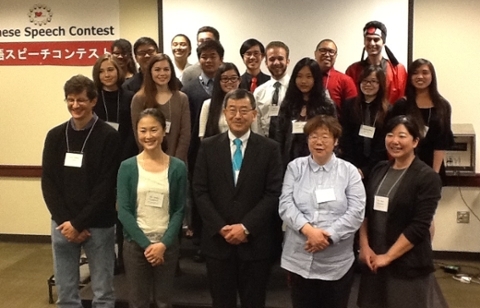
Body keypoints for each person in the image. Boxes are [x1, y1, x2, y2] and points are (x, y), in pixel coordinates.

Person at [193, 89, 283, 308]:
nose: (238, 116)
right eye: (232, 110)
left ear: (254, 114)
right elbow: (199, 191)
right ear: (224, 113)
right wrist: (221, 227)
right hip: (218, 243)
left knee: (254, 302)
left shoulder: (270, 149)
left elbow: (273, 193)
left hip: (256, 243)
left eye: (244, 110)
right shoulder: (208, 147)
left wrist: (246, 227)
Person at [41, 75, 119, 308]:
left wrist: (79, 223)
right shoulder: (55, 136)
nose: (75, 106)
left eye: (81, 100)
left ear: (93, 101)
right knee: (66, 295)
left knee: (103, 293)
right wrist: (68, 222)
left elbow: (106, 186)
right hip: (62, 226)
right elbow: (49, 182)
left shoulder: (108, 136)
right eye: (70, 100)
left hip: (99, 225)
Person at [357, 115, 447, 308]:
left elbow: (419, 226)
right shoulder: (380, 169)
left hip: (406, 265)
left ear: (415, 141)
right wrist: (364, 247)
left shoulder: (427, 177)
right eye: (390, 135)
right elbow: (365, 213)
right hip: (374, 260)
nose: (394, 141)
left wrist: (388, 257)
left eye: (402, 136)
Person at [280, 115, 365, 308]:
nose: (319, 142)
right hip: (299, 258)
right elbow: (285, 204)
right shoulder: (295, 167)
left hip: (336, 262)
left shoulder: (349, 172)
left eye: (325, 137)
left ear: (335, 141)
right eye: (313, 136)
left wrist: (327, 237)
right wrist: (309, 231)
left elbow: (356, 212)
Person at [117, 108, 187, 308]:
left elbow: (179, 210)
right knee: (138, 302)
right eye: (143, 130)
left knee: (164, 302)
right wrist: (147, 246)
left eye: (154, 130)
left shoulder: (178, 167)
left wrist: (162, 245)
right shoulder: (127, 167)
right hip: (136, 246)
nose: (148, 136)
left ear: (164, 131)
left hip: (167, 245)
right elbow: (124, 211)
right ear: (137, 133)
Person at [387, 58, 454, 184]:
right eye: (415, 73)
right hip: (404, 167)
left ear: (432, 76)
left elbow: (442, 143)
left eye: (425, 72)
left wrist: (434, 175)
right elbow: (393, 139)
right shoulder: (402, 105)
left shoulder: (443, 106)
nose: (420, 76)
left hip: (432, 166)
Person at [274, 57, 336, 168]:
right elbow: (279, 135)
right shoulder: (288, 104)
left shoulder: (326, 106)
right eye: (299, 76)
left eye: (308, 77)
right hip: (289, 160)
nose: (303, 81)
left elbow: (333, 135)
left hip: (318, 160)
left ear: (315, 79)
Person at [131, 53, 191, 163]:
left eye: (166, 69)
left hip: (177, 162)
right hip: (149, 161)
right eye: (157, 70)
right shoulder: (139, 99)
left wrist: (175, 163)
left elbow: (185, 135)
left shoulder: (182, 98)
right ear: (150, 72)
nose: (162, 73)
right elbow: (138, 134)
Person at [339, 65, 389, 181]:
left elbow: (383, 143)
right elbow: (345, 136)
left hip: (377, 165)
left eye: (373, 81)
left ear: (380, 84)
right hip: (351, 164)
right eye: (364, 81)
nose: (368, 84)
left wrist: (366, 170)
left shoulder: (387, 110)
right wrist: (353, 167)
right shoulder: (349, 105)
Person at [346, 21, 407, 105]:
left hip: (391, 116)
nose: (372, 43)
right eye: (368, 39)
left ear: (383, 42)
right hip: (361, 115)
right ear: (364, 42)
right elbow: (351, 100)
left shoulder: (398, 70)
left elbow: (402, 100)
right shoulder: (353, 70)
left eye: (376, 39)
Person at [92, 53, 137, 160]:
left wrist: (124, 154)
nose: (106, 75)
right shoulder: (93, 98)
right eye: (101, 71)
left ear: (118, 70)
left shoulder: (130, 97)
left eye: (110, 69)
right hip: (99, 153)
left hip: (126, 154)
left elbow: (133, 130)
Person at [254, 40, 291, 138]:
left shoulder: (295, 88)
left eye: (280, 58)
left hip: (291, 144)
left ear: (287, 61)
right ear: (266, 62)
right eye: (272, 59)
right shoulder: (259, 92)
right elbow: (256, 123)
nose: (276, 62)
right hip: (265, 143)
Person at [314, 39, 357, 116]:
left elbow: (353, 112)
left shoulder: (345, 80)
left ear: (336, 56)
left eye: (331, 52)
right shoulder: (307, 78)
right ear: (315, 53)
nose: (327, 54)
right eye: (323, 50)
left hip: (335, 126)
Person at [199, 62, 241, 139]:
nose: (229, 82)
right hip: (215, 149)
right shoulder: (208, 104)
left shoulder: (247, 104)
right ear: (218, 81)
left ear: (239, 80)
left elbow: (255, 132)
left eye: (233, 78)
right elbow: (202, 137)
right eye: (225, 78)